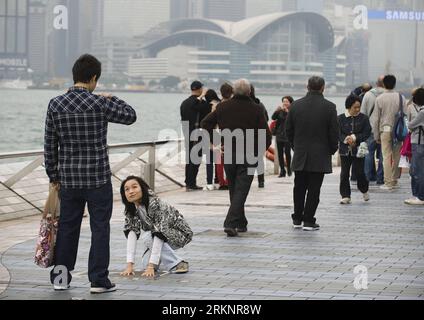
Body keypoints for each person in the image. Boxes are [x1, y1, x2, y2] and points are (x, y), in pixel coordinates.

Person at [44, 54, 137, 293]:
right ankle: (98, 280)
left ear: (74, 76)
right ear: (93, 78)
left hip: (69, 179)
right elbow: (130, 115)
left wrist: (53, 176)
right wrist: (112, 97)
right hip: (97, 178)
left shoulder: (55, 104)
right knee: (99, 228)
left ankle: (61, 279)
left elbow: (49, 144)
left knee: (67, 228)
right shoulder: (100, 103)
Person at [201, 79, 272, 237]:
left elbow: (205, 123)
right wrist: (260, 150)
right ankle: (230, 223)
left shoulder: (223, 107)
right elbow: (266, 134)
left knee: (235, 188)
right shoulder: (256, 109)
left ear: (233, 91)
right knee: (241, 190)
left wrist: (218, 141)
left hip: (229, 154)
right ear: (248, 92)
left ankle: (240, 222)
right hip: (248, 154)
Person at [285, 76, 339, 231]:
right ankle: (309, 220)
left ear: (307, 86)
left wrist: (296, 145)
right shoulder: (330, 107)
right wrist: (331, 150)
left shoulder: (295, 105)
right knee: (314, 189)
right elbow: (334, 132)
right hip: (320, 154)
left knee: (299, 187)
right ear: (323, 87)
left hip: (301, 152)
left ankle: (297, 218)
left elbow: (288, 130)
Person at [120, 176, 192, 277]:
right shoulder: (131, 209)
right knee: (145, 264)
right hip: (157, 235)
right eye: (126, 189)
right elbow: (132, 233)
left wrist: (151, 266)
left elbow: (159, 233)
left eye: (134, 187)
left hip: (179, 234)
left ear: (143, 188)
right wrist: (129, 265)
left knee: (148, 237)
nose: (131, 191)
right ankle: (164, 258)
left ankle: (178, 263)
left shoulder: (156, 204)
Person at [371, 75, 407, 191]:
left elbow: (375, 119)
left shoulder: (379, 98)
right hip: (398, 131)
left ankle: (388, 182)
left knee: (386, 156)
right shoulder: (401, 98)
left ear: (384, 84)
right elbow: (405, 116)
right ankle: (395, 180)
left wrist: (376, 135)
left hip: (385, 130)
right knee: (397, 156)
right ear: (394, 84)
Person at [338, 95, 372, 204]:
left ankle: (364, 189)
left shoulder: (364, 118)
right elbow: (337, 133)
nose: (357, 109)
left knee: (359, 173)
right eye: (355, 107)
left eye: (359, 107)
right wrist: (345, 139)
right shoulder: (340, 118)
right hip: (344, 150)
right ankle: (345, 195)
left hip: (359, 150)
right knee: (344, 173)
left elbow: (367, 133)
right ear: (349, 107)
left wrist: (354, 137)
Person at [180, 80, 211, 191]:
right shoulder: (200, 104)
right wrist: (204, 97)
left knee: (189, 159)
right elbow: (208, 111)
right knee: (195, 160)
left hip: (187, 133)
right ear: (199, 89)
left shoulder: (184, 103)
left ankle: (188, 182)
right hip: (198, 134)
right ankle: (191, 183)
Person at [362, 76, 385, 185]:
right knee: (383, 155)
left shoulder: (368, 95)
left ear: (376, 83)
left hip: (370, 129)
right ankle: (380, 178)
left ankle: (366, 177)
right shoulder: (389, 96)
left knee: (368, 154)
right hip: (384, 130)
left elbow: (363, 114)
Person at [405, 88, 424, 205]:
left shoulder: (422, 112)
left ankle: (420, 197)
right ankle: (418, 195)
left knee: (418, 171)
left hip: (418, 143)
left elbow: (411, 125)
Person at [250, 85, 269, 188]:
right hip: (259, 135)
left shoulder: (244, 105)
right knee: (259, 159)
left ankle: (247, 179)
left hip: (246, 135)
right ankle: (261, 181)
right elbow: (266, 118)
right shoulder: (260, 104)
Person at [203, 89, 221, 191]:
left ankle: (209, 183)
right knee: (218, 160)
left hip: (209, 133)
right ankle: (218, 180)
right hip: (219, 134)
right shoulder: (221, 104)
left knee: (209, 160)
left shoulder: (208, 106)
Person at [272, 96, 293, 177]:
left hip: (288, 135)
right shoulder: (280, 111)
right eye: (284, 101)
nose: (285, 103)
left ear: (290, 103)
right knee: (280, 154)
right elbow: (273, 118)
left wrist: (287, 112)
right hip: (279, 134)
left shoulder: (292, 111)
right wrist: (277, 111)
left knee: (287, 153)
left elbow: (292, 120)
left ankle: (289, 169)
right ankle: (282, 171)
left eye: (287, 101)